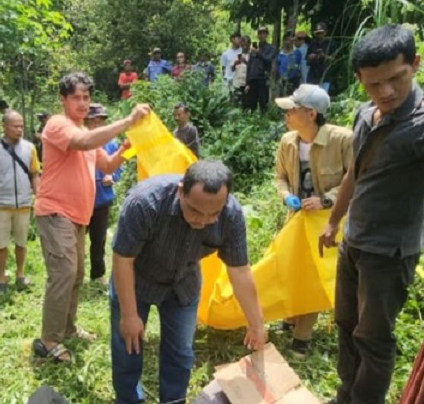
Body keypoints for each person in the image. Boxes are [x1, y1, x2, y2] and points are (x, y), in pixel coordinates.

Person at [319, 25, 424, 404]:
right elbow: (355, 172)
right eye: (374, 84)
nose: (386, 92)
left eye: (396, 79)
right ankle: (345, 396)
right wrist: (334, 220)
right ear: (360, 81)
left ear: (415, 65)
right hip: (353, 243)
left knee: (373, 340)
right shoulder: (364, 115)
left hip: (388, 254)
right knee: (345, 327)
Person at [110, 160, 266, 404]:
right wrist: (129, 315)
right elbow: (122, 259)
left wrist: (256, 323)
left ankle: (173, 401)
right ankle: (128, 399)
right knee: (128, 348)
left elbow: (240, 271)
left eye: (213, 214)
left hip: (183, 285)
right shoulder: (145, 203)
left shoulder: (231, 215)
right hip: (136, 281)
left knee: (180, 353)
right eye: (194, 211)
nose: (202, 221)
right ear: (181, 190)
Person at [32, 72, 150, 363]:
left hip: (77, 217)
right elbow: (82, 143)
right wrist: (126, 122)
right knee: (63, 274)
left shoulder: (84, 130)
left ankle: (67, 329)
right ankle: (49, 340)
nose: (83, 103)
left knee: (76, 275)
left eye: (87, 97)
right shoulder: (59, 125)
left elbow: (107, 165)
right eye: (77, 97)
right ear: (63, 100)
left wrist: (129, 147)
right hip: (55, 211)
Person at [273, 84, 353, 356]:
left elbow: (355, 179)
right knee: (290, 268)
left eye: (291, 110)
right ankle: (290, 316)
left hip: (329, 222)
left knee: (315, 275)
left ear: (310, 114)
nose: (286, 115)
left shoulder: (343, 140)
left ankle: (302, 336)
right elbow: (280, 177)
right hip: (296, 220)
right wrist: (286, 197)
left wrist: (326, 200)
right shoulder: (288, 142)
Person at [0, 110, 40, 294]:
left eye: (21, 126)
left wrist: (38, 197)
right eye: (15, 126)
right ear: (4, 127)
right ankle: (1, 277)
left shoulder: (30, 148)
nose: (19, 129)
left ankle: (20, 274)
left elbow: (34, 174)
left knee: (22, 243)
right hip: (0, 205)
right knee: (1, 244)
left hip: (23, 203)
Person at [84, 104, 122, 286]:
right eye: (94, 121)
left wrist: (111, 175)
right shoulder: (80, 141)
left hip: (101, 198)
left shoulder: (111, 143)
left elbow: (118, 166)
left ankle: (97, 274)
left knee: (98, 240)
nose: (98, 125)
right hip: (80, 199)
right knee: (74, 240)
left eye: (101, 121)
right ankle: (74, 275)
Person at [245, 26, 277, 112]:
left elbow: (268, 60)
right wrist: (247, 82)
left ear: (266, 34)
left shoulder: (271, 48)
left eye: (264, 33)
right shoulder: (253, 49)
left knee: (263, 103)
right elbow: (249, 65)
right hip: (253, 79)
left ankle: (264, 122)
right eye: (260, 33)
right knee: (252, 104)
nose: (262, 35)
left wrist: (259, 53)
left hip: (263, 78)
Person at [307, 22, 339, 93]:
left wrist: (324, 56)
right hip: (313, 76)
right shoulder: (312, 44)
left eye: (321, 32)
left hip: (325, 75)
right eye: (317, 33)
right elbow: (307, 61)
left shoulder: (331, 44)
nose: (319, 35)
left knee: (323, 96)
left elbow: (334, 60)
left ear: (325, 32)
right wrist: (311, 57)